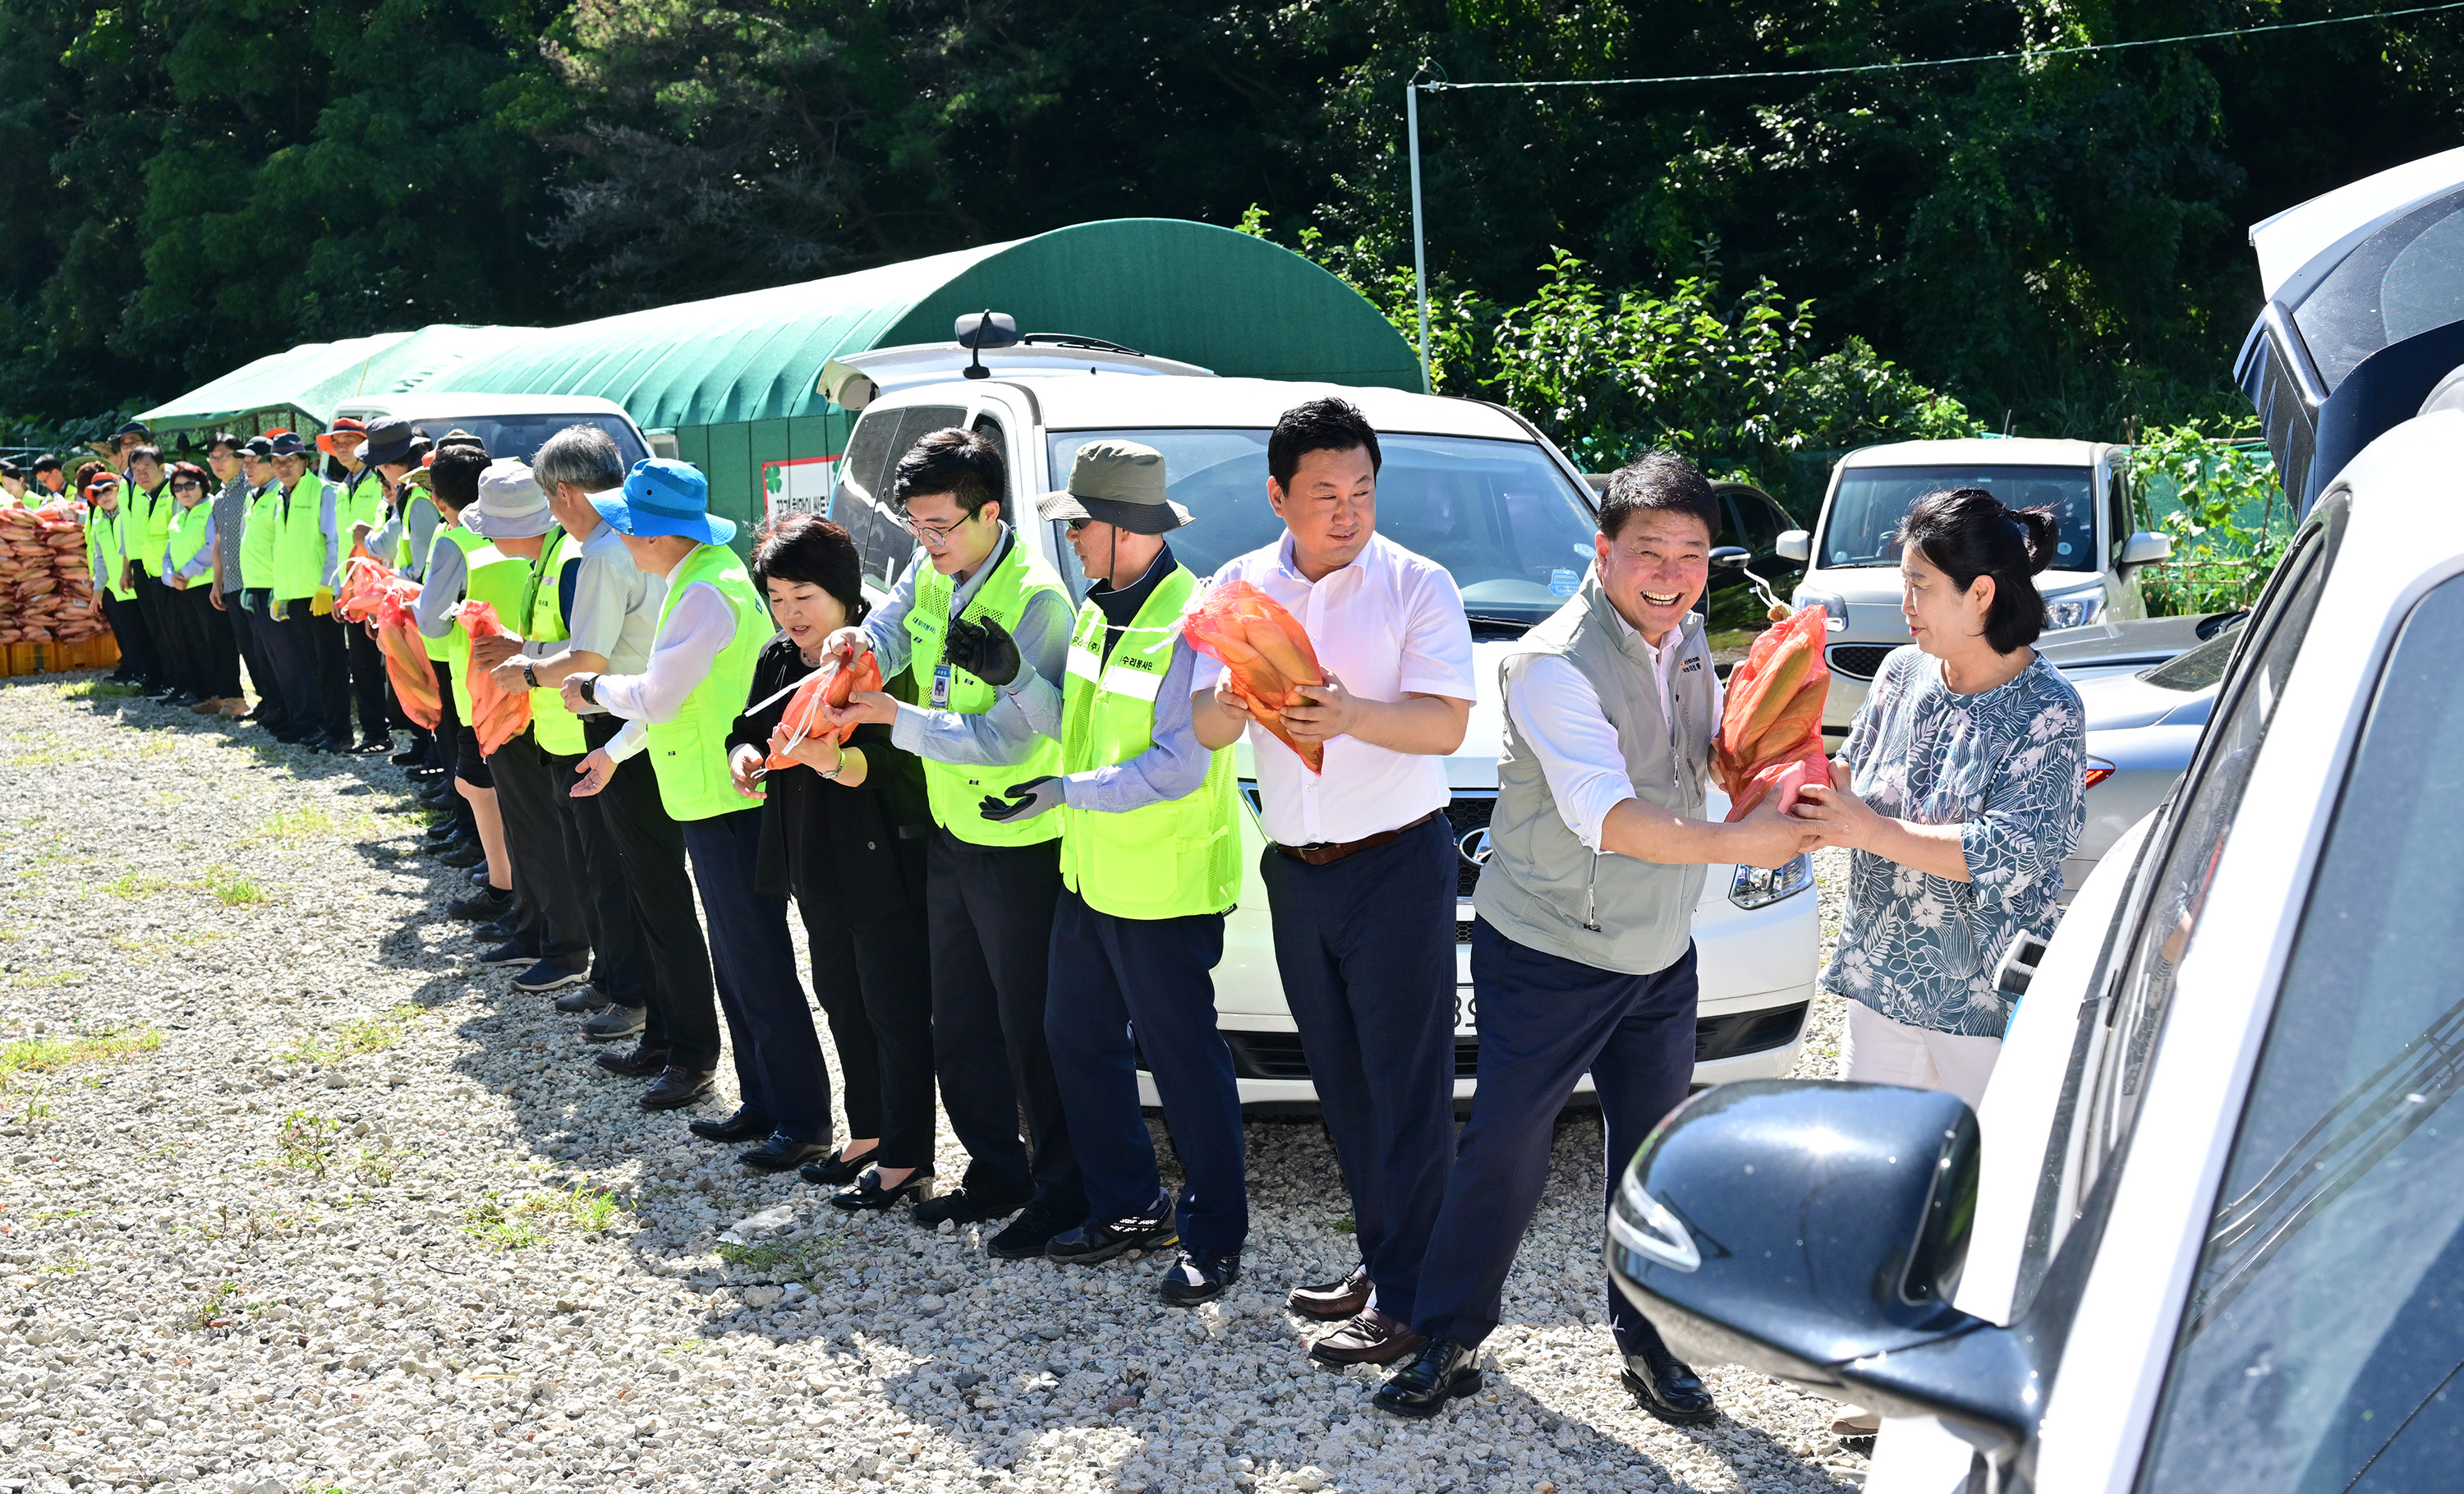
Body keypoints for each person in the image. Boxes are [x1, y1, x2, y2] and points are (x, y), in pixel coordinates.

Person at [1372, 452, 1822, 1421]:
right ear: (1603, 550)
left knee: (1656, 1156)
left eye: (1693, 552)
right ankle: (1446, 1336)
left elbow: (1711, 755)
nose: (1671, 572)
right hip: (1549, 951)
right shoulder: (1546, 662)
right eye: (1649, 549)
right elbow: (1608, 817)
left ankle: (1652, 1345)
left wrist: (1783, 728)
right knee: (1506, 1149)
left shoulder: (1690, 638)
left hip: (1659, 948)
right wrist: (1747, 839)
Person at [1186, 397, 1473, 1368]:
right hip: (1298, 870)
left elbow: (1444, 726)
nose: (1347, 511)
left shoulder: (1415, 584)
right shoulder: (1237, 586)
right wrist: (1229, 703)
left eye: (1361, 491)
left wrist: (1350, 715)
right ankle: (1383, 1261)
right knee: (1343, 1084)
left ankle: (1416, 1299)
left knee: (1408, 1086)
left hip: (1396, 861)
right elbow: (1206, 728)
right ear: (1278, 496)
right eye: (1324, 495)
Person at [972, 440, 1249, 1303]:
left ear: (1126, 527)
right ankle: (1131, 1204)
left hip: (1163, 889)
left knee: (1184, 1063)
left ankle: (1215, 1237)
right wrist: (1015, 677)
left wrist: (1062, 790)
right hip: (1092, 877)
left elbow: (1176, 764)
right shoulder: (1100, 608)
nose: (1073, 540)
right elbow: (1076, 725)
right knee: (1074, 1038)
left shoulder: (1191, 620)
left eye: (1082, 524)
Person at [820, 427, 1085, 1259]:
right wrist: (855, 643)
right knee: (961, 1019)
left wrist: (894, 718)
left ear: (989, 513)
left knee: (1030, 1026)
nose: (926, 543)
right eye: (916, 527)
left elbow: (1010, 740)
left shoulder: (1037, 598)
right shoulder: (931, 570)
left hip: (1019, 839)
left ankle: (1061, 1190)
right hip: (952, 835)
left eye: (940, 527)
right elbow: (893, 626)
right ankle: (994, 1172)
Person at [722, 514, 937, 1198]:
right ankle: (868, 1130)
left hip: (881, 855)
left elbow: (906, 761)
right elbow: (746, 728)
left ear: (844, 593)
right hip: (811, 857)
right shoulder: (779, 658)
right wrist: (746, 756)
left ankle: (907, 1156)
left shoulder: (880, 654)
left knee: (893, 1007)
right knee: (839, 996)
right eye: (777, 599)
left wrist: (833, 759)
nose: (790, 613)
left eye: (803, 596)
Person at [566, 458, 773, 1118]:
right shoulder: (698, 579)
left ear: (653, 534)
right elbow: (671, 699)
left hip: (725, 797)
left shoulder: (706, 591)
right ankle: (757, 1100)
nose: (618, 536)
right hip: (709, 792)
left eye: (626, 524)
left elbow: (657, 693)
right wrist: (614, 750)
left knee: (750, 963)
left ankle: (775, 1106)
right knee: (736, 958)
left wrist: (593, 691)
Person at [517, 428, 706, 1066]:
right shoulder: (647, 548)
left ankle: (660, 1025)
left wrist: (524, 668)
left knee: (643, 884)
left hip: (625, 721)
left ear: (564, 492)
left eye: (548, 498)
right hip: (649, 721)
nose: (550, 512)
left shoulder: (603, 550)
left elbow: (589, 662)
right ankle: (656, 1022)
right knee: (646, 883)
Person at [455, 460, 595, 996]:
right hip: (550, 725)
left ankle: (564, 950)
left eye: (493, 526)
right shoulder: (551, 556)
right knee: (538, 839)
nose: (487, 537)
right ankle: (543, 937)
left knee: (557, 846)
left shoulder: (568, 558)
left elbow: (587, 650)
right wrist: (520, 648)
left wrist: (523, 656)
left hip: (574, 731)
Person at [412, 444, 521, 903]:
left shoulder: (454, 540)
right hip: (537, 675)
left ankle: (505, 884)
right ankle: (513, 878)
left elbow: (431, 620)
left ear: (439, 499)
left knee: (478, 782)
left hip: (478, 683)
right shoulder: (529, 532)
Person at [264, 432, 347, 752]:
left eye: (290, 461)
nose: (283, 467)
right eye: (277, 462)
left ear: (306, 462)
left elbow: (333, 542)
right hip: (295, 594)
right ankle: (324, 728)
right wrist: (278, 592)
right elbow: (283, 550)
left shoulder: (322, 492)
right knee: (311, 667)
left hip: (318, 593)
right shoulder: (278, 496)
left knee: (330, 667)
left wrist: (328, 586)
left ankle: (340, 733)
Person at [322, 417, 393, 753]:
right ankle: (374, 732)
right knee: (362, 663)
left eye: (349, 440)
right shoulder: (341, 488)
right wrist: (338, 590)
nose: (341, 447)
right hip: (353, 588)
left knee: (391, 659)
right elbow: (337, 544)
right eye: (336, 442)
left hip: (380, 585)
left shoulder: (379, 483)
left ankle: (394, 732)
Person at [233, 437, 304, 739]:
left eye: (254, 460)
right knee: (270, 657)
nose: (247, 466)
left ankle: (295, 715)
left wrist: (278, 587)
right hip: (257, 585)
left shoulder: (279, 493)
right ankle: (279, 707)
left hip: (277, 586)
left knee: (289, 658)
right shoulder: (255, 495)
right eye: (245, 461)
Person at [160, 462, 243, 716]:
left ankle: (232, 697)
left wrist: (186, 572)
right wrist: (171, 577)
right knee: (195, 642)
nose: (184, 491)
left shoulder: (210, 509)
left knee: (220, 642)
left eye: (189, 485)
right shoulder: (177, 517)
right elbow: (167, 555)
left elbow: (211, 547)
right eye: (178, 487)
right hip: (183, 589)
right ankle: (209, 695)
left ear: (203, 485)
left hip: (208, 585)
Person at [202, 434, 259, 720]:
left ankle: (277, 703)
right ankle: (264, 702)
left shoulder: (252, 488)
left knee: (262, 648)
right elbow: (220, 542)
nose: (217, 462)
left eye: (223, 455)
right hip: (232, 583)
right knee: (248, 648)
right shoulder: (221, 497)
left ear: (240, 457)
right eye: (213, 457)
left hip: (255, 579)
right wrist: (217, 582)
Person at [117, 445, 172, 697]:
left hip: (163, 567)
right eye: (135, 467)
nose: (140, 473)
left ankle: (174, 680)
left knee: (167, 627)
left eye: (145, 467)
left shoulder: (169, 486)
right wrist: (126, 567)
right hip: (140, 564)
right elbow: (128, 530)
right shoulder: (124, 484)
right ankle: (159, 677)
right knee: (151, 627)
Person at [82, 471, 140, 683]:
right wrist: (98, 590)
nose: (103, 496)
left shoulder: (129, 516)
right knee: (124, 634)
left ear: (119, 490)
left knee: (141, 634)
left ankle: (144, 674)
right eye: (98, 494)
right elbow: (100, 559)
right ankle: (131, 671)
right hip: (114, 589)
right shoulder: (100, 524)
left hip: (135, 585)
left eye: (108, 490)